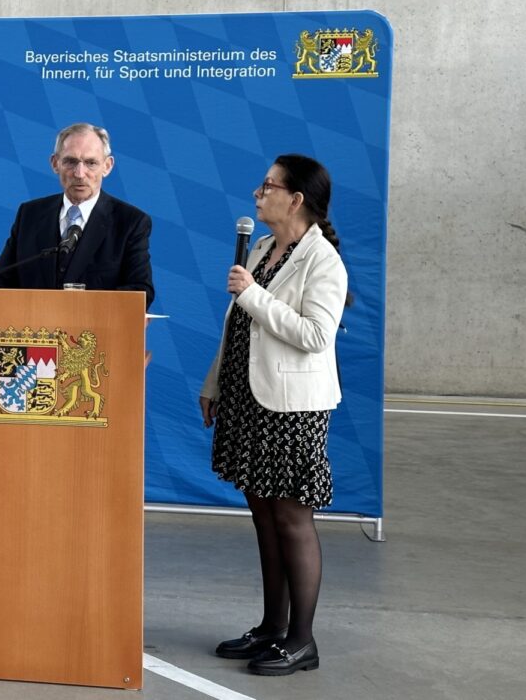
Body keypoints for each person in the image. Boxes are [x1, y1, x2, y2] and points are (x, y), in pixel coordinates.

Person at [199, 154, 349, 676]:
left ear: (296, 198)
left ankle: (301, 640)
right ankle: (271, 627)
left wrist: (255, 294)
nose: (258, 193)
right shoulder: (263, 248)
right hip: (248, 398)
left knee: (291, 518)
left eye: (268, 186)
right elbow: (239, 325)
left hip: (291, 408)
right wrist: (215, 381)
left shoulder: (322, 260)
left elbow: (314, 336)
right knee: (263, 517)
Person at [0, 123, 154, 303]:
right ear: (55, 163)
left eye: (91, 163)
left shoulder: (130, 222)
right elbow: (1, 279)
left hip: (94, 331)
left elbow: (140, 291)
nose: (80, 173)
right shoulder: (30, 214)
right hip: (36, 331)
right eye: (70, 162)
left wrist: (80, 307)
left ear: (107, 166)